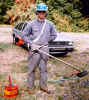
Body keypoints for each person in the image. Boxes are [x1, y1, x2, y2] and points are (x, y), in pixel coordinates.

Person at [22, 3, 57, 94]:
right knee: (31, 70)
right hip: (34, 50)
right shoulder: (31, 24)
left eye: (43, 12)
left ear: (46, 13)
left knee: (43, 70)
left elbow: (54, 35)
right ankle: (30, 88)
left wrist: (45, 41)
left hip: (44, 50)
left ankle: (43, 86)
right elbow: (24, 35)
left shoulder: (50, 24)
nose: (41, 13)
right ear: (37, 12)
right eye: (39, 11)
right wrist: (31, 43)